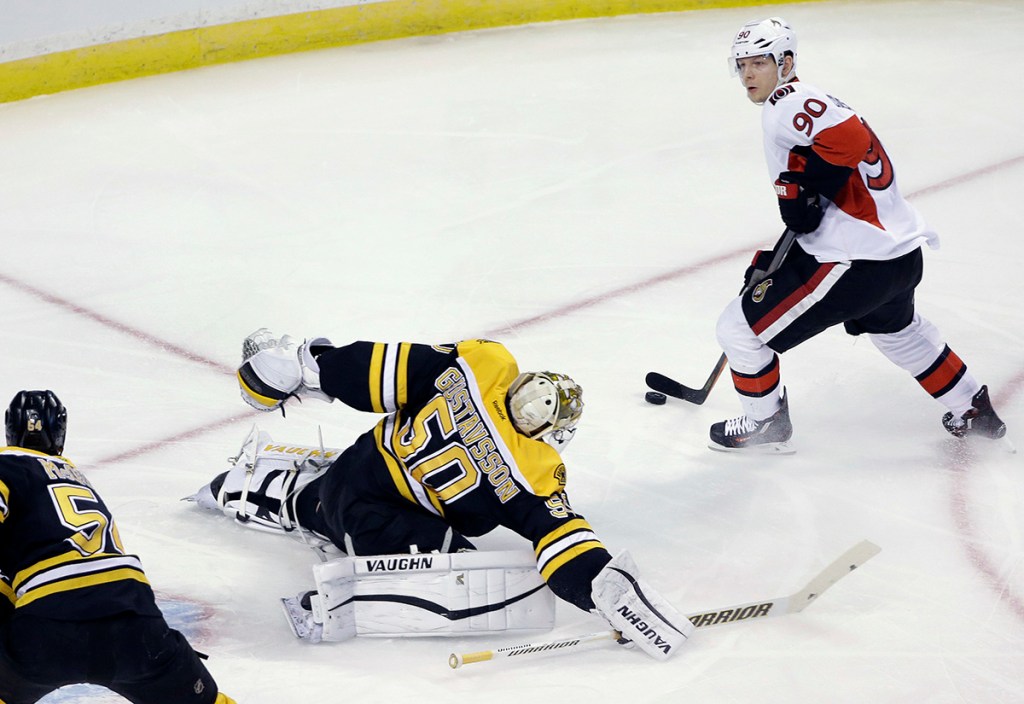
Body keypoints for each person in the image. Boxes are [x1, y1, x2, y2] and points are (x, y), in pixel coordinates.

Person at [196, 330, 693, 659]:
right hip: (383, 522)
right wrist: (606, 593)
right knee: (459, 570)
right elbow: (560, 536)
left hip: (357, 468)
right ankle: (341, 575)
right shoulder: (533, 469)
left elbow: (380, 371)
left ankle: (281, 494)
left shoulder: (482, 365)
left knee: (330, 498)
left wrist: (311, 366)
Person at [709, 16, 1008, 452]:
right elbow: (837, 166)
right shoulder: (812, 99)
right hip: (898, 256)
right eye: (742, 65)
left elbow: (849, 140)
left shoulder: (787, 101)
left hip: (856, 261)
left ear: (786, 62)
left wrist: (804, 186)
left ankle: (766, 425)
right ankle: (972, 409)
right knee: (898, 332)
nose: (748, 75)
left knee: (740, 330)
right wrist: (806, 198)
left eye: (758, 62)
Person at [0, 390, 235, 704]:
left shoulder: (7, 466)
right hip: (135, 626)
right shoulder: (76, 478)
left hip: (47, 628)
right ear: (60, 432)